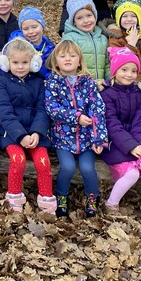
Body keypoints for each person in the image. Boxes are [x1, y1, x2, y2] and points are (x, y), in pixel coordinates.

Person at [44, 40, 107, 218]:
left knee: (87, 168)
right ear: (56, 61)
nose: (68, 59)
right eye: (63, 56)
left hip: (87, 138)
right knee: (68, 167)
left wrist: (98, 138)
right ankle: (62, 197)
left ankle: (92, 198)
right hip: (63, 138)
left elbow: (98, 109)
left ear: (79, 61)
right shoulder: (53, 83)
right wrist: (76, 117)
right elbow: (52, 109)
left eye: (72, 56)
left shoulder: (87, 82)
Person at [0, 37, 56, 214]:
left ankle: (46, 199)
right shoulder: (2, 83)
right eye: (15, 63)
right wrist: (20, 136)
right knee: (18, 160)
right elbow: (4, 112)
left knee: (43, 163)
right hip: (11, 135)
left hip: (35, 134)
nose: (20, 67)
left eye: (25, 62)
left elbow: (42, 109)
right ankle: (14, 197)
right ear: (6, 63)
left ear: (33, 63)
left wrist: (36, 132)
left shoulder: (38, 82)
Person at [100, 47, 141, 225]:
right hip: (113, 144)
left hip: (136, 142)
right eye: (124, 69)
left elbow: (140, 123)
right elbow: (111, 125)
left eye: (133, 71)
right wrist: (131, 146)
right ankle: (111, 204)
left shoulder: (139, 95)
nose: (129, 74)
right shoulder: (106, 94)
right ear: (114, 71)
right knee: (132, 174)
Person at [61, 0, 110, 86]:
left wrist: (109, 81)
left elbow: (107, 65)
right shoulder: (70, 39)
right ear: (73, 21)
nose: (86, 21)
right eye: (79, 18)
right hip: (80, 87)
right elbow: (67, 65)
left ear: (95, 16)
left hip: (101, 85)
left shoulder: (102, 38)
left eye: (89, 15)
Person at [7, 6, 55, 78]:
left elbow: (52, 69)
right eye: (26, 29)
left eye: (34, 27)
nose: (31, 31)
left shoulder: (50, 48)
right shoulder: (17, 46)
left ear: (42, 26)